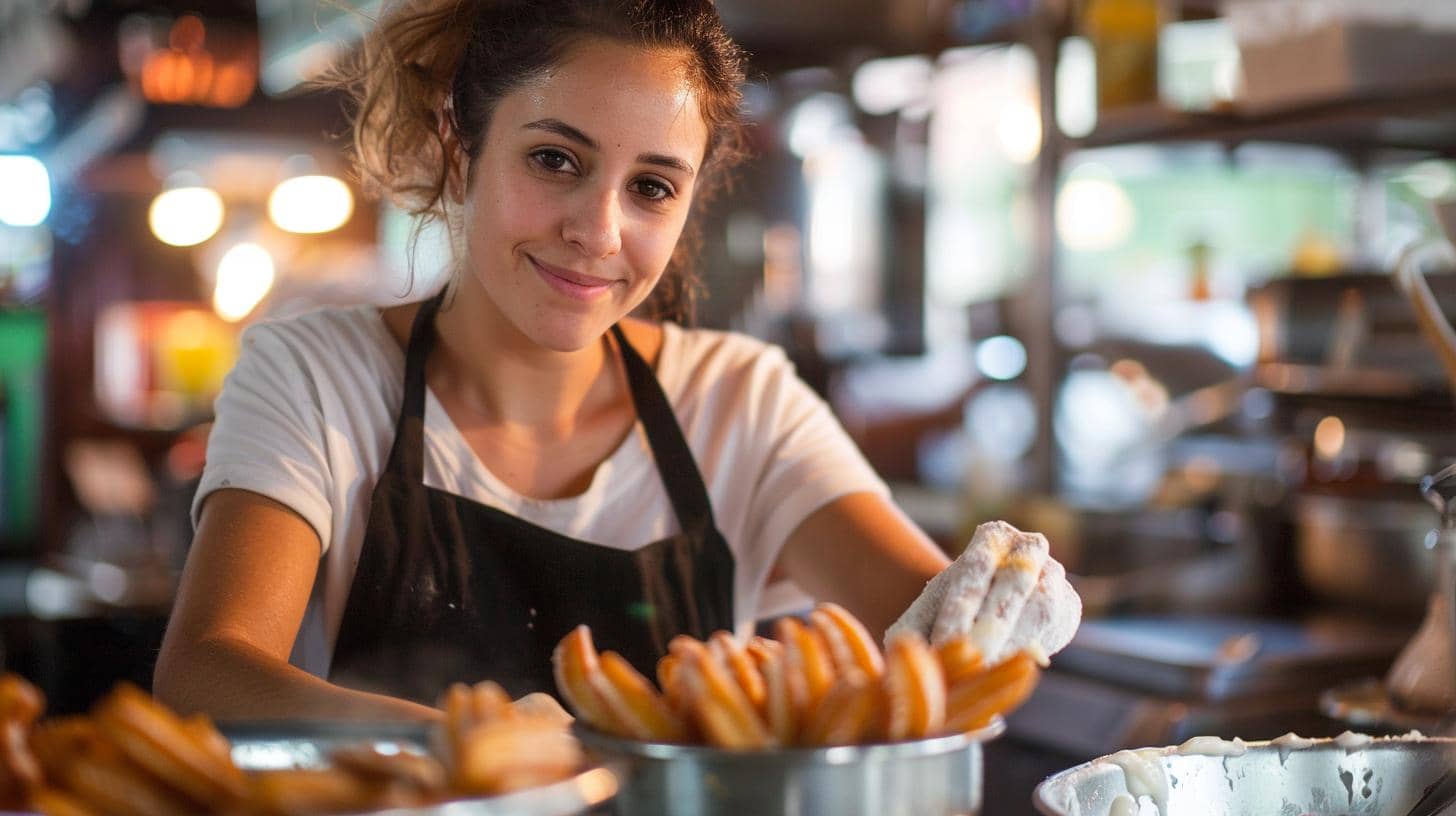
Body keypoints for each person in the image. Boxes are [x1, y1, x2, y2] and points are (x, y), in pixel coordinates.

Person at [153, 0, 1080, 722]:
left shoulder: (741, 401)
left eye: (650, 187)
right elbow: (204, 672)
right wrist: (473, 750)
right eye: (556, 159)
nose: (599, 232)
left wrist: (995, 609)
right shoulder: (316, 377)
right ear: (459, 144)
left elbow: (944, 640)